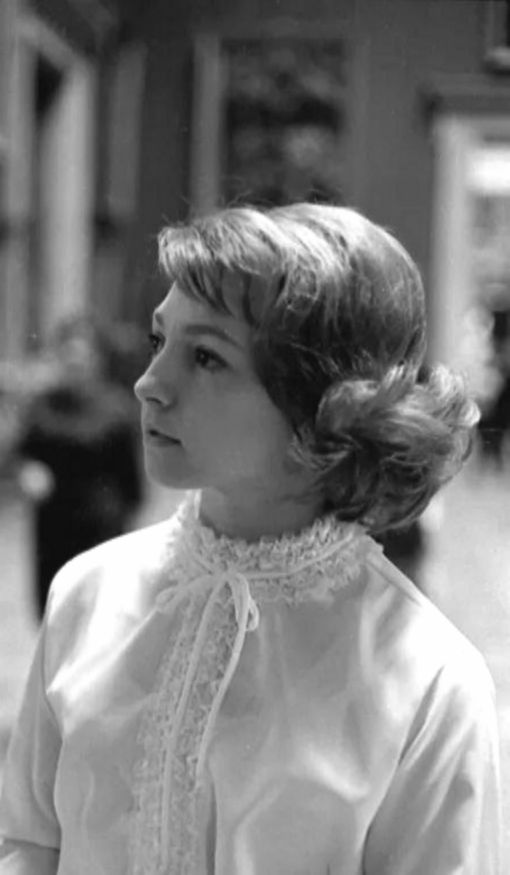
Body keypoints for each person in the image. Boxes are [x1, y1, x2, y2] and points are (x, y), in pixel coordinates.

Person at [0, 204, 500, 874]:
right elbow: (30, 840)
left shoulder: (430, 681)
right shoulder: (87, 593)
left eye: (206, 357)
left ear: (326, 404)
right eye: (158, 341)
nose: (150, 384)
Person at [15, 313, 143, 618]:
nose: (75, 364)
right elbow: (20, 454)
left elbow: (132, 483)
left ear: (96, 359)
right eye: (68, 356)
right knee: (54, 613)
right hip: (53, 529)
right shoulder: (42, 406)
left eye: (82, 356)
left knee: (96, 616)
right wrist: (26, 470)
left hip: (100, 531)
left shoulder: (117, 409)